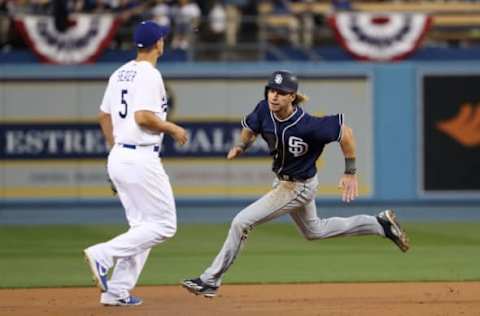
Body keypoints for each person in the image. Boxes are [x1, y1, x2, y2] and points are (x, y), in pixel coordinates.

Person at [182, 70, 410, 298]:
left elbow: (346, 133)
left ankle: (210, 280)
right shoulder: (264, 109)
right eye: (272, 90)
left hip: (297, 187)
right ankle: (380, 224)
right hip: (287, 182)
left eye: (281, 93)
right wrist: (242, 146)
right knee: (315, 231)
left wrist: (350, 172)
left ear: (292, 96)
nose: (274, 96)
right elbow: (250, 128)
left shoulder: (308, 125)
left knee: (241, 222)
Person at [83, 20, 188, 307]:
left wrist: (115, 150)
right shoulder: (149, 74)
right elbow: (143, 117)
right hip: (140, 156)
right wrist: (172, 128)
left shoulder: (120, 73)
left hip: (120, 154)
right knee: (165, 226)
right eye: (162, 39)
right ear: (159, 44)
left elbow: (104, 116)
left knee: (142, 228)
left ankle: (116, 291)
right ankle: (103, 254)